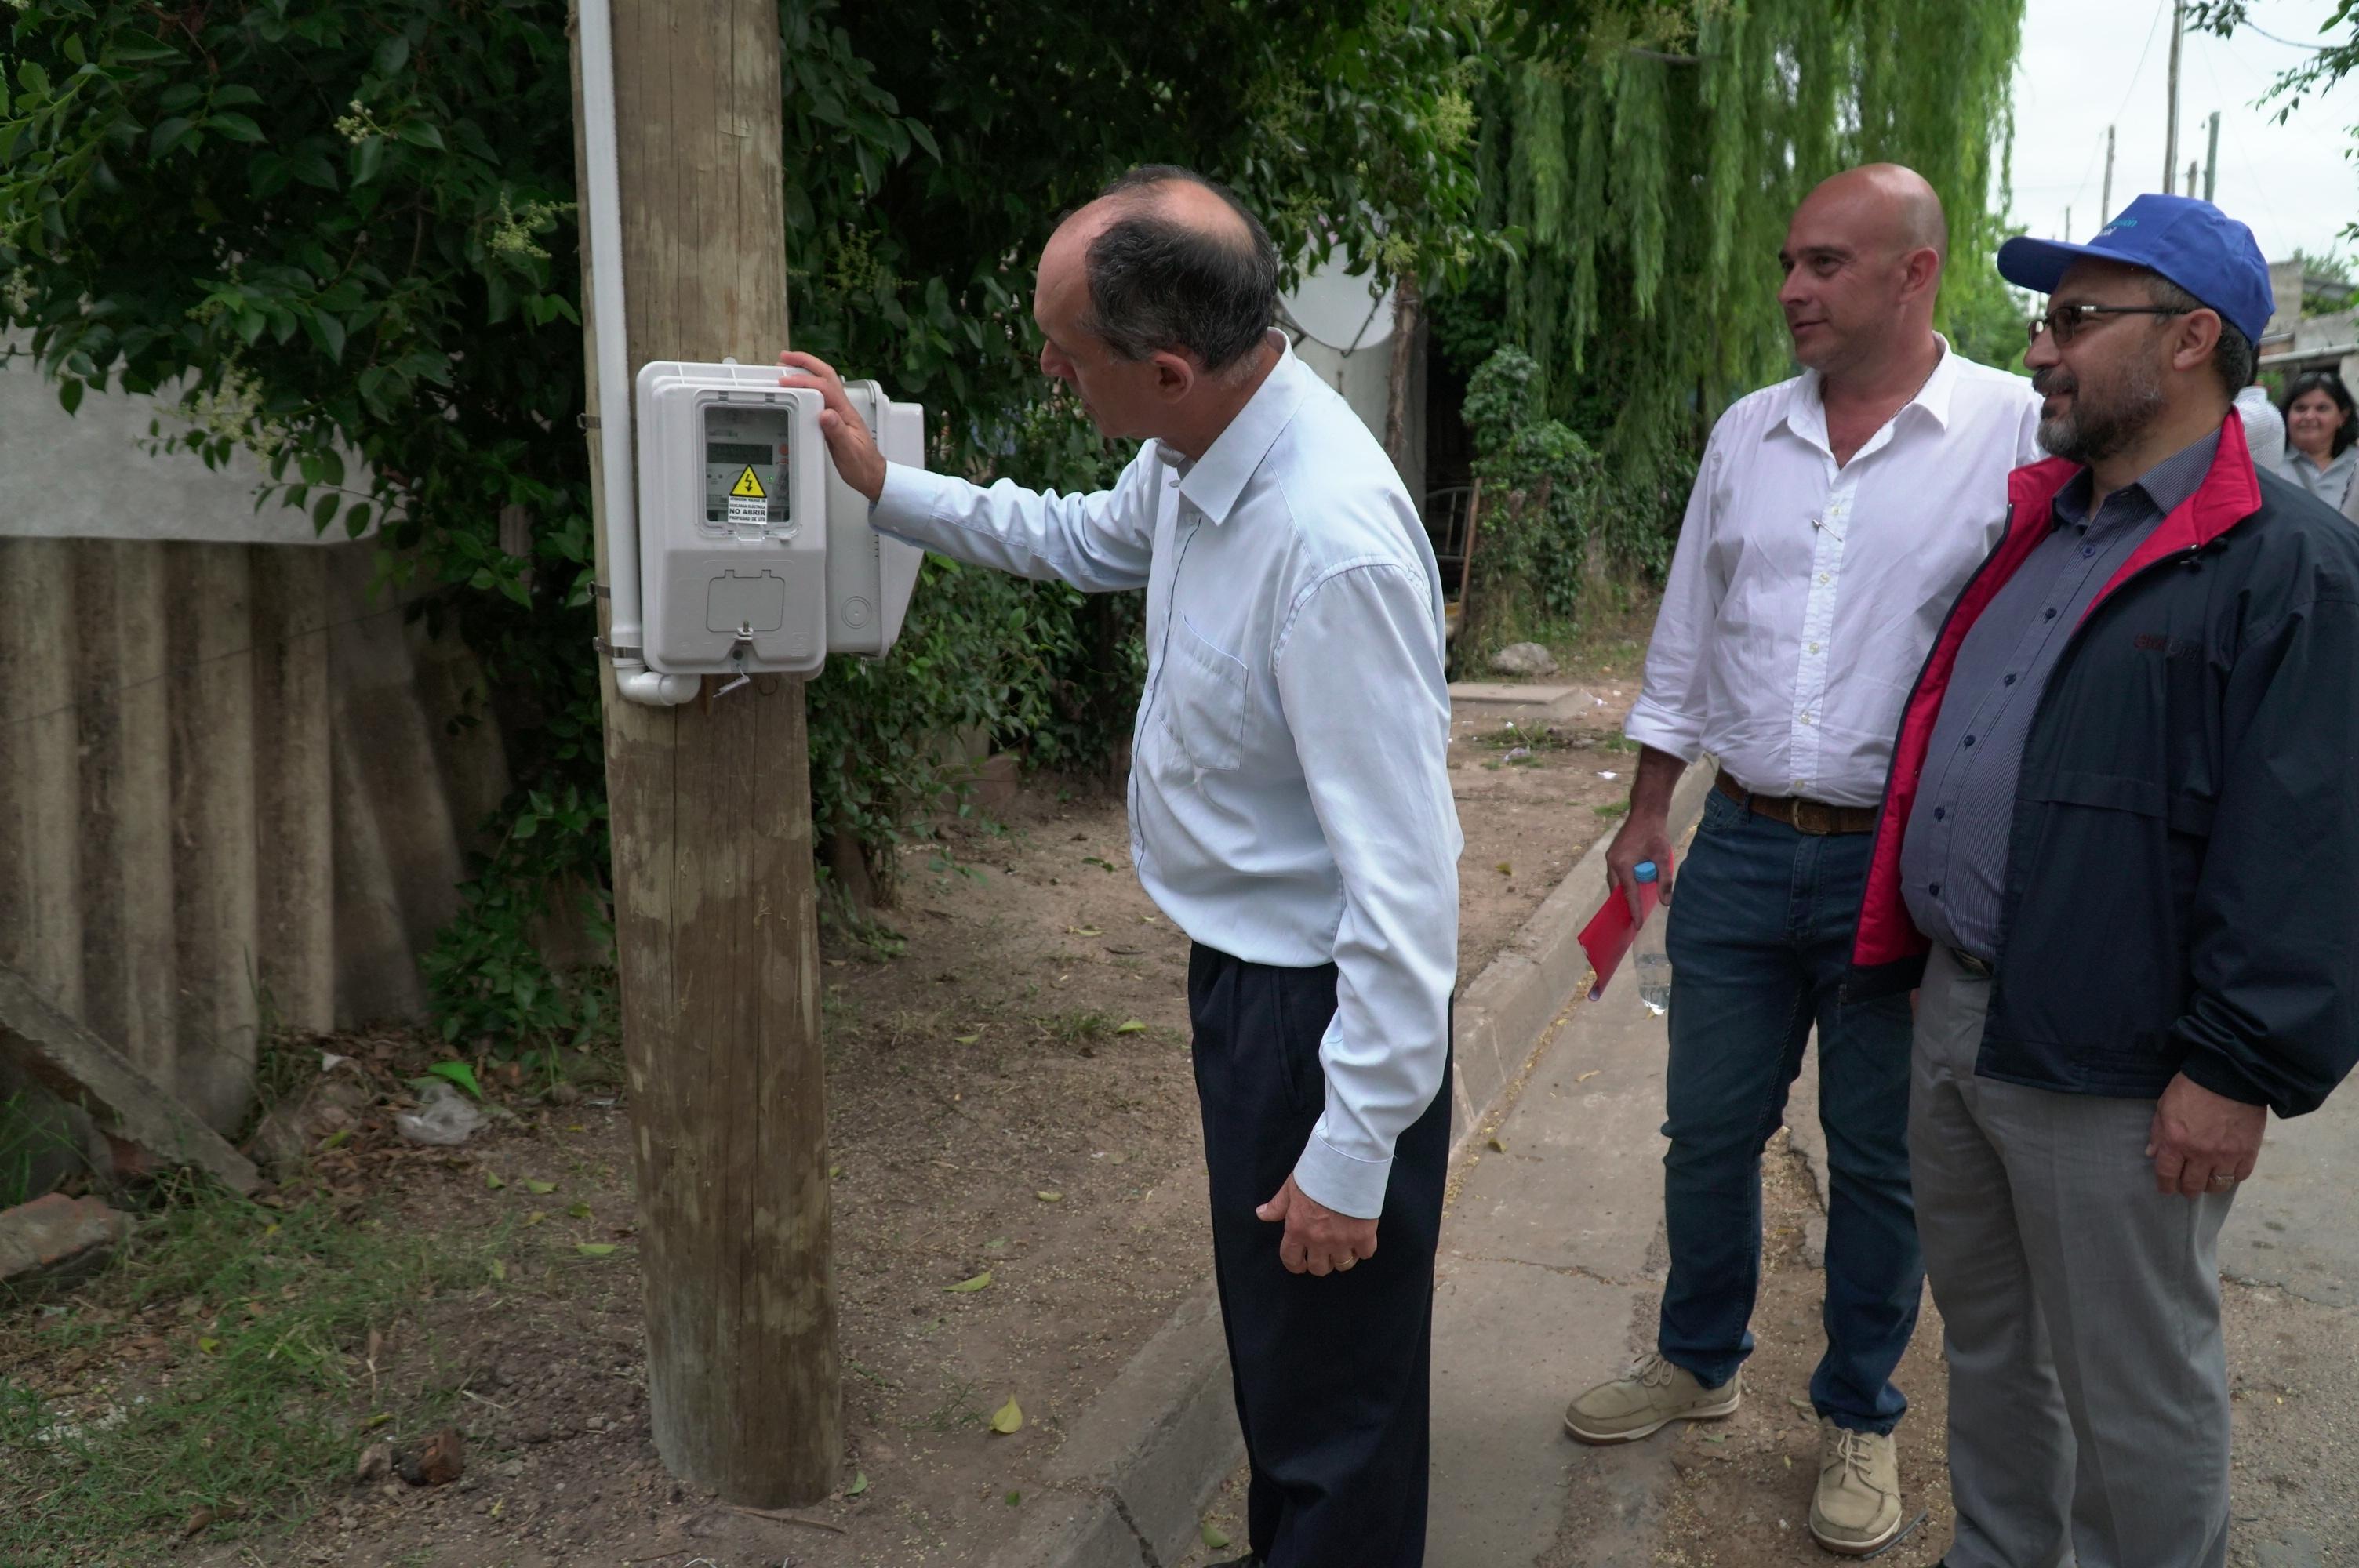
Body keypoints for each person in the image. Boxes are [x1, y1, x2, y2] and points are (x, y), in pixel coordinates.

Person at [781, 166, 1459, 1568]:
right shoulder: (1199, 450)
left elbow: (1406, 893)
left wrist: (1349, 1152)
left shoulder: (1325, 545)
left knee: (1334, 1398)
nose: (1044, 367)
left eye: (1062, 351)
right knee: (1290, 1373)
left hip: (1316, 1020)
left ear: (1163, 367)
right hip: (1252, 995)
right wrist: (882, 486)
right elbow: (1079, 536)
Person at [1852, 193, 2359, 1568]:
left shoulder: (2286, 565)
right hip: (1960, 1017)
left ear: (2190, 338)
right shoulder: (2047, 524)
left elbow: (2308, 846)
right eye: (2043, 319)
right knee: (1994, 1349)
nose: (2038, 351)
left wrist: (2236, 1065)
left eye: (2076, 320)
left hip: (2123, 1060)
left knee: (2133, 1388)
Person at [1564, 163, 2041, 1556]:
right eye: (1788, 260)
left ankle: (1858, 1411)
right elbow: (1686, 635)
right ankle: (1697, 1359)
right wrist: (1650, 806)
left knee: (1880, 1161)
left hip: (1900, 873)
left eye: (1825, 263)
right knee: (1706, 1128)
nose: (1789, 289)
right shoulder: (1745, 436)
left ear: (1913, 273)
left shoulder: (2011, 432)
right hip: (1739, 847)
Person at [2281, 368, 2359, 519]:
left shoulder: (2355, 465)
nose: (2309, 416)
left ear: (2342, 417)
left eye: (2321, 408)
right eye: (2300, 408)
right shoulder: (2269, 464)